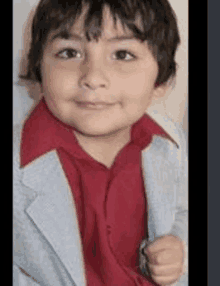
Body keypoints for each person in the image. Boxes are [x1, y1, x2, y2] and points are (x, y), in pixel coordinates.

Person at [13, 0, 188, 285]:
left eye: (122, 55)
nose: (93, 78)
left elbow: (182, 209)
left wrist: (178, 246)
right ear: (38, 67)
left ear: (161, 82)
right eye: (69, 53)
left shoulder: (171, 141)